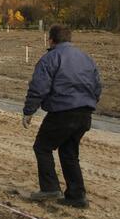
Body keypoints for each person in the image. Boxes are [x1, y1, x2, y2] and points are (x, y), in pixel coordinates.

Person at [22, 24, 102, 208]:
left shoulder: (50, 58)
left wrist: (29, 111)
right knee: (69, 153)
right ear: (69, 38)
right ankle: (77, 196)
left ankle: (50, 188)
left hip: (62, 112)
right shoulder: (86, 58)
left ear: (51, 39)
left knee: (42, 147)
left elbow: (39, 87)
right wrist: (89, 103)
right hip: (85, 112)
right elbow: (97, 85)